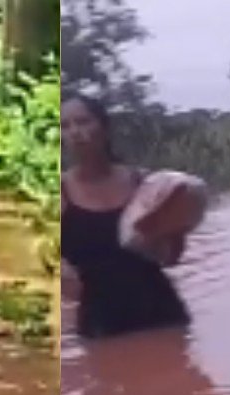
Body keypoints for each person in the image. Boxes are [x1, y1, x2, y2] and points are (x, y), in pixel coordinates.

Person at [60, 94, 192, 340]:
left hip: (162, 315)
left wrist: (177, 225)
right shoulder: (60, 195)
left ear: (104, 127)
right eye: (65, 126)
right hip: (101, 325)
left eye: (83, 122)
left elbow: (171, 259)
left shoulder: (143, 183)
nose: (75, 132)